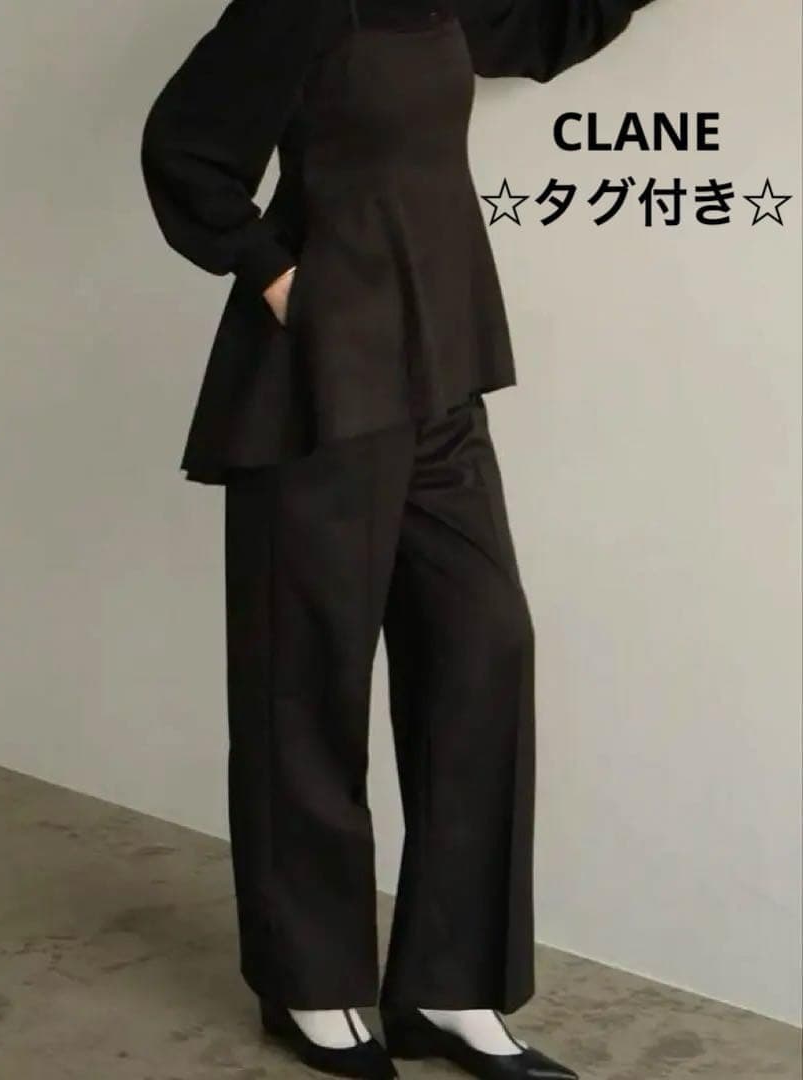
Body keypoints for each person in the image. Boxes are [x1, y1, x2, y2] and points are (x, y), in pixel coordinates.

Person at [140, 0, 657, 1076]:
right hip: (318, 391)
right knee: (306, 685)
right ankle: (308, 981)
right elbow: (184, 145)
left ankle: (448, 989)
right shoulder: (292, 8)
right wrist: (277, 274)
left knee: (485, 648)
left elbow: (550, 30)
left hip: (439, 378)